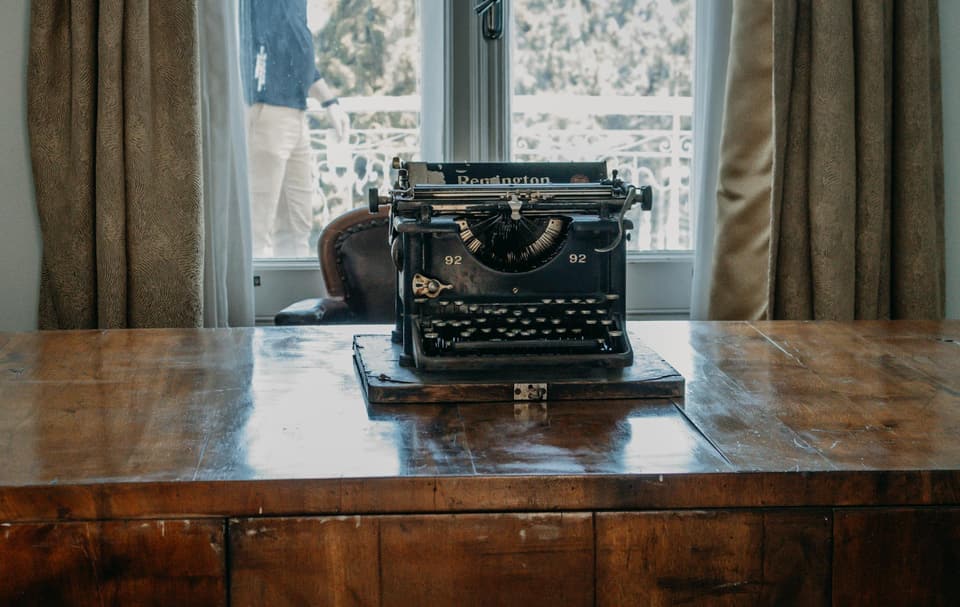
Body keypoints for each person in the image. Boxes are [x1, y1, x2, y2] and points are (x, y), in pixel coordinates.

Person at [243, 0, 350, 258]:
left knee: (296, 224)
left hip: (295, 113)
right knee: (257, 226)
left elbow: (296, 49)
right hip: (267, 110)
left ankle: (294, 285)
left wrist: (329, 101)